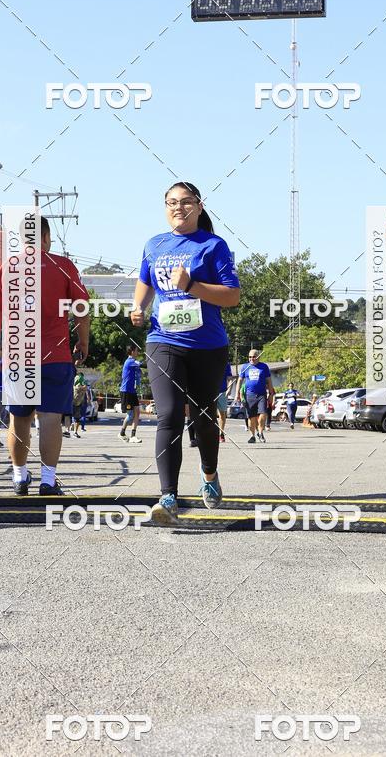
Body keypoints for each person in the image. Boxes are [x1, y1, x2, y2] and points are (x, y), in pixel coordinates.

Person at [131, 181, 240, 524]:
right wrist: (138, 307)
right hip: (163, 340)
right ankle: (168, 497)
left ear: (199, 206)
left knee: (204, 418)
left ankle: (209, 474)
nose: (178, 207)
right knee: (169, 415)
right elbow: (145, 281)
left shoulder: (213, 246)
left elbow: (232, 296)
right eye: (172, 202)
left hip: (207, 345)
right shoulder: (154, 244)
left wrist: (191, 285)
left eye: (186, 201)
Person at [0, 216, 90, 496]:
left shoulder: (6, 268)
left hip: (19, 356)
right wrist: (83, 342)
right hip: (56, 357)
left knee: (19, 418)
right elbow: (81, 310)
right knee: (50, 418)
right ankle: (48, 480)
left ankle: (19, 477)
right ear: (45, 237)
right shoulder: (64, 266)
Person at [237, 350, 274, 444]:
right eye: (250, 357)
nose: (251, 359)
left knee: (263, 414)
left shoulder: (264, 366)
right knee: (251, 417)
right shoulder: (245, 367)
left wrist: (271, 394)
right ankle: (252, 436)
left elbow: (269, 381)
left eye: (253, 357)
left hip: (261, 395)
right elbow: (240, 380)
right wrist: (237, 394)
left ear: (258, 357)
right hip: (249, 395)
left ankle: (260, 433)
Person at [119, 344, 142, 443]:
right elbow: (142, 364)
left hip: (132, 392)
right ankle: (122, 433)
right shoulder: (130, 361)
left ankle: (133, 436)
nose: (138, 352)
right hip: (126, 391)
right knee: (130, 415)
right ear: (132, 352)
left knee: (137, 412)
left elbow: (139, 372)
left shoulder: (134, 363)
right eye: (136, 350)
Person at [217, 362, 232, 443]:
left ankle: (221, 433)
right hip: (211, 392)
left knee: (222, 414)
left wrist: (229, 389)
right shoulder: (208, 360)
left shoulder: (226, 363)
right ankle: (213, 433)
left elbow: (230, 378)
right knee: (210, 414)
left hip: (222, 392)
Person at [70, 372, 87, 438]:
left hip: (77, 403)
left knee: (76, 418)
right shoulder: (76, 385)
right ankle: (71, 430)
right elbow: (80, 388)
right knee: (73, 417)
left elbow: (84, 388)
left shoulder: (78, 384)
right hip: (75, 402)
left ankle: (73, 431)